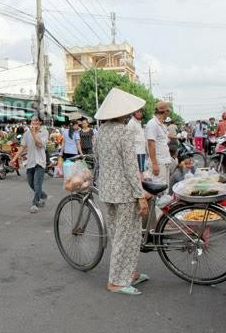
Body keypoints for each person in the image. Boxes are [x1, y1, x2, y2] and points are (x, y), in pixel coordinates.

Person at [94, 88, 150, 296]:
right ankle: (116, 281)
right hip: (125, 193)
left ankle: (129, 273)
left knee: (118, 234)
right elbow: (130, 166)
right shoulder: (124, 132)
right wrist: (140, 195)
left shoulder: (101, 133)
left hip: (107, 190)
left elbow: (100, 160)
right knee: (127, 237)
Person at [11, 115, 49, 213]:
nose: (34, 122)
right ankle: (43, 195)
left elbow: (40, 144)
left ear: (40, 122)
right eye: (32, 121)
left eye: (36, 120)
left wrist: (33, 133)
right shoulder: (27, 133)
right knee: (31, 183)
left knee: (37, 183)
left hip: (40, 162)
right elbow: (22, 147)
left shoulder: (44, 132)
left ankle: (35, 204)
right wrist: (14, 159)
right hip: (30, 162)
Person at [145, 101, 172, 186]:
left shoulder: (161, 125)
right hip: (159, 162)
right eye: (168, 111)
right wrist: (154, 164)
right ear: (165, 111)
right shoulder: (152, 124)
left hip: (164, 161)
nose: (168, 114)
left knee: (164, 187)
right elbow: (150, 144)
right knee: (158, 188)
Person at [127, 109, 147, 173]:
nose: (139, 113)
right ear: (134, 113)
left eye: (141, 111)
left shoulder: (138, 122)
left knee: (140, 171)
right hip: (137, 151)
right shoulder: (132, 122)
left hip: (141, 151)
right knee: (139, 172)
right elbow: (128, 137)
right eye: (137, 112)